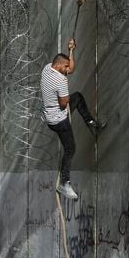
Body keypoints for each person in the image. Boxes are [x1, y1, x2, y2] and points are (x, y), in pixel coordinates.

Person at [40, 38, 106, 200]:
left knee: (78, 97)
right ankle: (64, 183)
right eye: (65, 68)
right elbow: (63, 105)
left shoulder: (47, 68)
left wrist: (71, 51)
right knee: (70, 149)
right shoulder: (60, 81)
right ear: (58, 66)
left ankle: (92, 124)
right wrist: (64, 93)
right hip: (58, 121)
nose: (68, 70)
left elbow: (71, 68)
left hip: (49, 113)